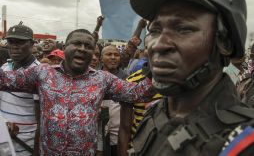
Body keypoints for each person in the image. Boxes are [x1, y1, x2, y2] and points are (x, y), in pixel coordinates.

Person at [128, 0, 254, 155]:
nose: (158, 45)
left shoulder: (245, 141)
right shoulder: (154, 113)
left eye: (184, 29)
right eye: (154, 30)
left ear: (225, 43)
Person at [0, 28, 154, 156]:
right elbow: (4, 80)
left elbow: (137, 93)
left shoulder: (103, 79)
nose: (82, 48)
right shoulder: (42, 73)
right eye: (77, 43)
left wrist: (155, 69)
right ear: (65, 47)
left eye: (88, 46)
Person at [0, 23, 40, 156]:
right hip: (4, 141)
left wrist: (36, 150)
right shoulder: (4, 67)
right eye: (11, 41)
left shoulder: (40, 73)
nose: (15, 46)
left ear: (32, 44)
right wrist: (4, 123)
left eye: (20, 42)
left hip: (26, 146)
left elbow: (42, 120)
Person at [97, 45, 128, 156]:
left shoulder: (126, 78)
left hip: (118, 137)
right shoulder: (93, 76)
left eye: (116, 55)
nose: (113, 57)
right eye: (109, 54)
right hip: (96, 136)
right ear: (101, 58)